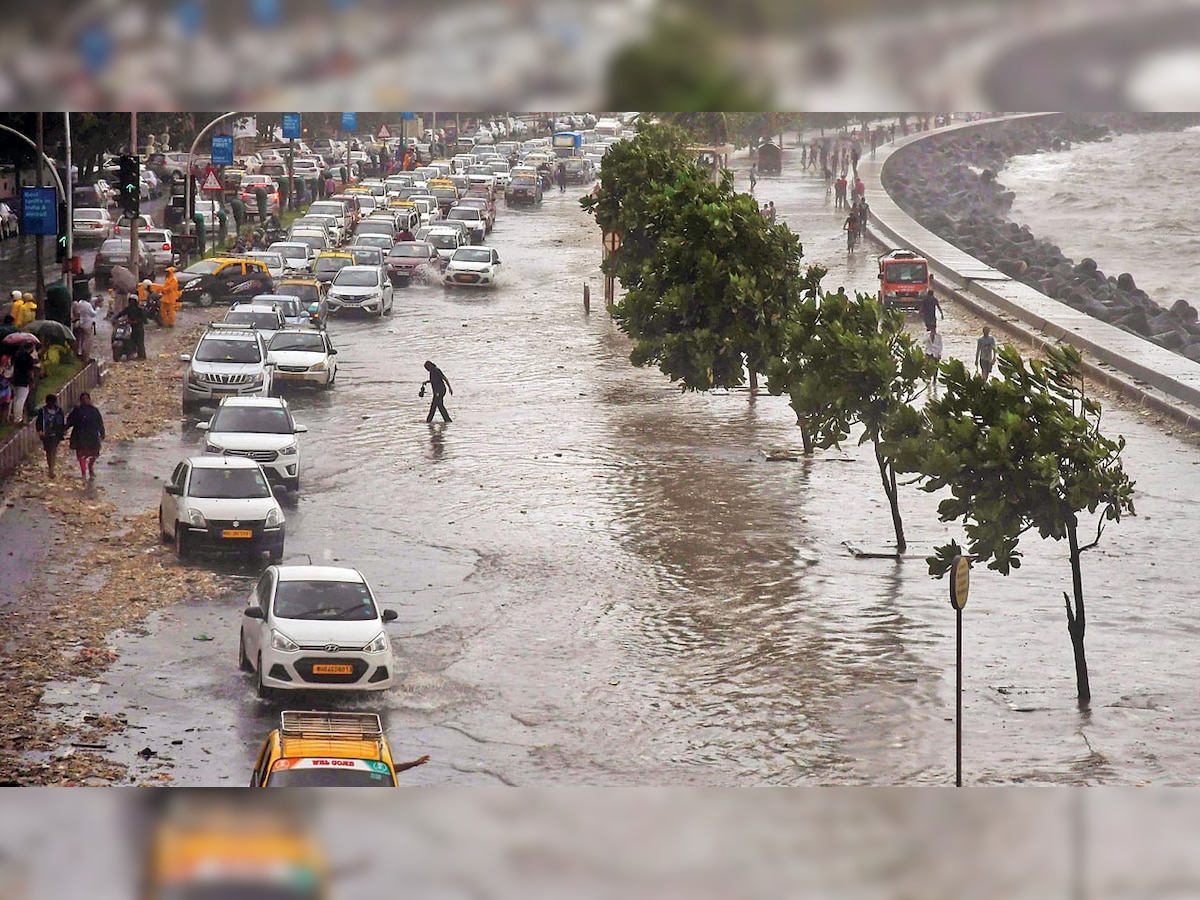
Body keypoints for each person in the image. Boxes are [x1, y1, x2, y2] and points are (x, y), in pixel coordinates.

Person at [67, 392, 105, 481]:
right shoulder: (77, 410)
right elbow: (70, 420)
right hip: (80, 435)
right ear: (80, 400)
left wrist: (102, 432)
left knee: (94, 454)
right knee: (81, 454)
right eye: (83, 399)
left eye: (86, 399)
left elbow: (100, 422)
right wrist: (65, 428)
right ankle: (83, 472)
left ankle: (90, 467)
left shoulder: (94, 410)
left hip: (92, 435)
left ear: (89, 399)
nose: (85, 400)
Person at [34, 393, 66, 479]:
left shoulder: (59, 411)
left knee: (53, 450)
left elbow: (62, 421)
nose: (51, 404)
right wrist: (40, 431)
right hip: (46, 434)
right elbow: (39, 422)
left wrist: (63, 430)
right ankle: (50, 467)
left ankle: (51, 468)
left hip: (56, 434)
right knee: (49, 451)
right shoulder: (42, 411)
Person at [113, 294, 147, 360]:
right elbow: (121, 313)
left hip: (139, 328)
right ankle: (130, 353)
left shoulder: (139, 309)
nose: (131, 302)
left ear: (136, 301)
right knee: (132, 340)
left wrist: (136, 321)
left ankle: (142, 356)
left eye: (133, 301)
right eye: (130, 300)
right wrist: (115, 318)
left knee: (139, 342)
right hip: (131, 327)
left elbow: (144, 319)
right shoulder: (128, 309)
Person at [8, 344, 35, 423]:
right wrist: (32, 381)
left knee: (15, 398)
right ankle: (18, 418)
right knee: (21, 399)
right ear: (31, 348)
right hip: (24, 381)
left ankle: (11, 416)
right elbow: (30, 372)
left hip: (14, 379)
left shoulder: (16, 356)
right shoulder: (29, 358)